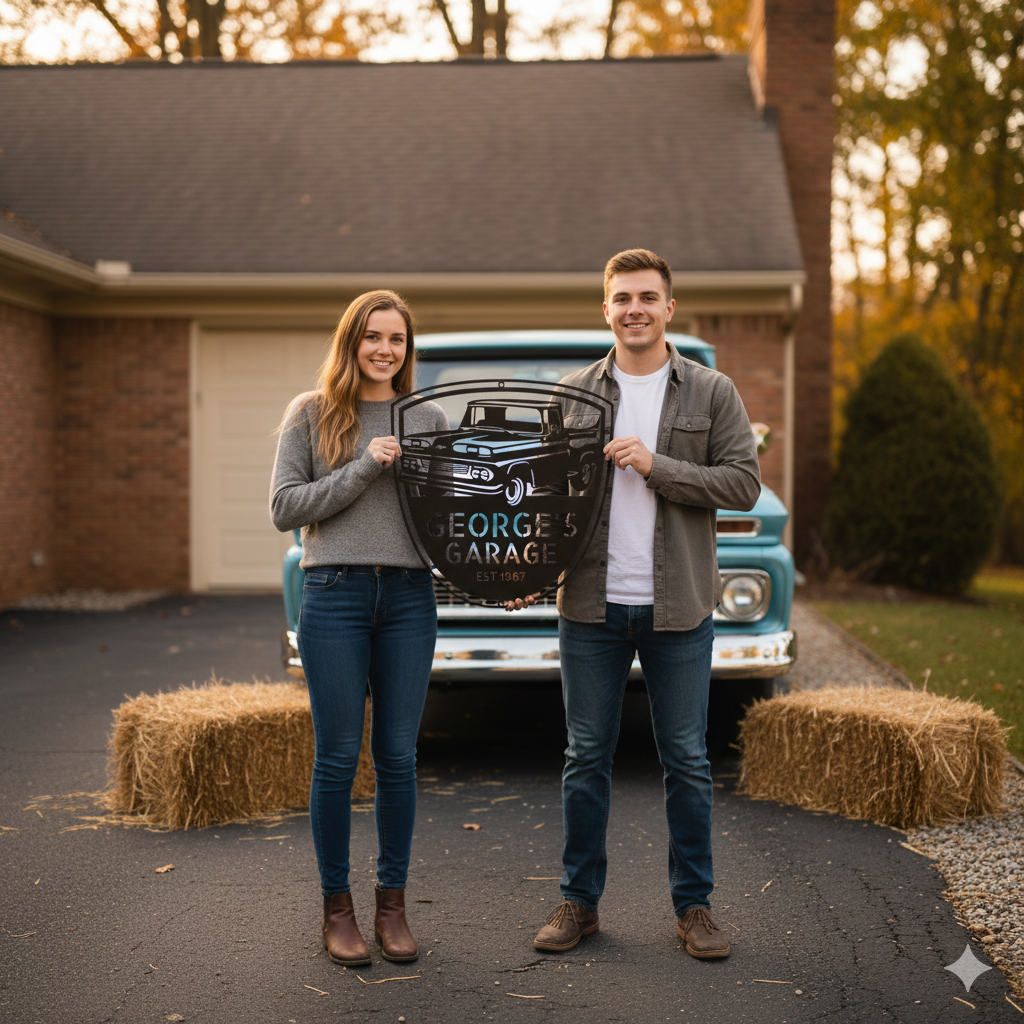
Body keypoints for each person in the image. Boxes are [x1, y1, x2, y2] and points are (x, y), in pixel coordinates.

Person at [515, 249, 761, 959]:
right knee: (584, 756)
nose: (635, 308)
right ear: (606, 309)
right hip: (590, 606)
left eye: (648, 297)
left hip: (678, 606)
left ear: (668, 308)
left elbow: (743, 484)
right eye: (622, 297)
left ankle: (695, 908)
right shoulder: (572, 394)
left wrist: (660, 467)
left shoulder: (712, 391)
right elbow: (547, 498)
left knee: (685, 758)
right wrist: (532, 565)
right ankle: (578, 904)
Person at [270, 290, 447, 967]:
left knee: (399, 758)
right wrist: (364, 466)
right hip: (335, 594)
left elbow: (450, 520)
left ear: (407, 348)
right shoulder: (312, 415)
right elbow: (286, 508)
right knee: (340, 759)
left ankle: (393, 908)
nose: (384, 349)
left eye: (396, 339)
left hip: (408, 598)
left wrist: (507, 578)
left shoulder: (426, 417)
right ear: (352, 342)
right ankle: (337, 910)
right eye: (372, 336)